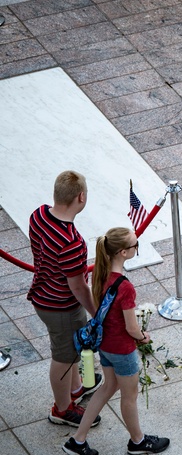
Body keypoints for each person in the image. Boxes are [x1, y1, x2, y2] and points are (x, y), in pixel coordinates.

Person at [62, 228, 170, 455]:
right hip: (122, 349)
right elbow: (131, 328)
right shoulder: (125, 287)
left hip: (106, 347)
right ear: (123, 252)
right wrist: (143, 337)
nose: (136, 247)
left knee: (107, 388)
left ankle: (78, 439)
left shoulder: (100, 275)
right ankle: (138, 441)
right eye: (135, 245)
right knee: (129, 397)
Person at [28, 171, 103, 427]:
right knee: (62, 355)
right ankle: (62, 409)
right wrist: (97, 311)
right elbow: (79, 288)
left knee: (71, 348)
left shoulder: (38, 215)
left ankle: (76, 389)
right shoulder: (72, 242)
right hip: (60, 305)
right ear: (81, 197)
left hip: (42, 293)